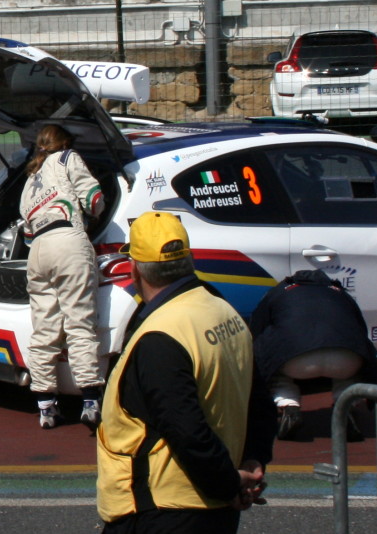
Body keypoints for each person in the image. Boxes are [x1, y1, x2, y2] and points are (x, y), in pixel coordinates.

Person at [95, 212, 274, 533]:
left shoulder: (161, 335)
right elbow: (259, 401)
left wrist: (229, 484)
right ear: (189, 260)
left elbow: (187, 431)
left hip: (162, 507)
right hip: (216, 504)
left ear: (135, 269)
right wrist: (253, 462)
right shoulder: (223, 311)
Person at [19, 124, 106, 429]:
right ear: (65, 143)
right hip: (68, 241)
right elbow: (94, 200)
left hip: (37, 252)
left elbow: (26, 234)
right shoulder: (68, 158)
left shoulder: (29, 180)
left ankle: (45, 405)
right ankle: (90, 400)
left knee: (44, 329)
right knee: (79, 322)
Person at [249, 269, 377, 442]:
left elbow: (256, 327)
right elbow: (360, 330)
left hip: (294, 359)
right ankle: (345, 408)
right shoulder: (340, 292)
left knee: (273, 364)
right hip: (346, 359)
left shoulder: (279, 291)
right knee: (350, 371)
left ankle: (289, 407)